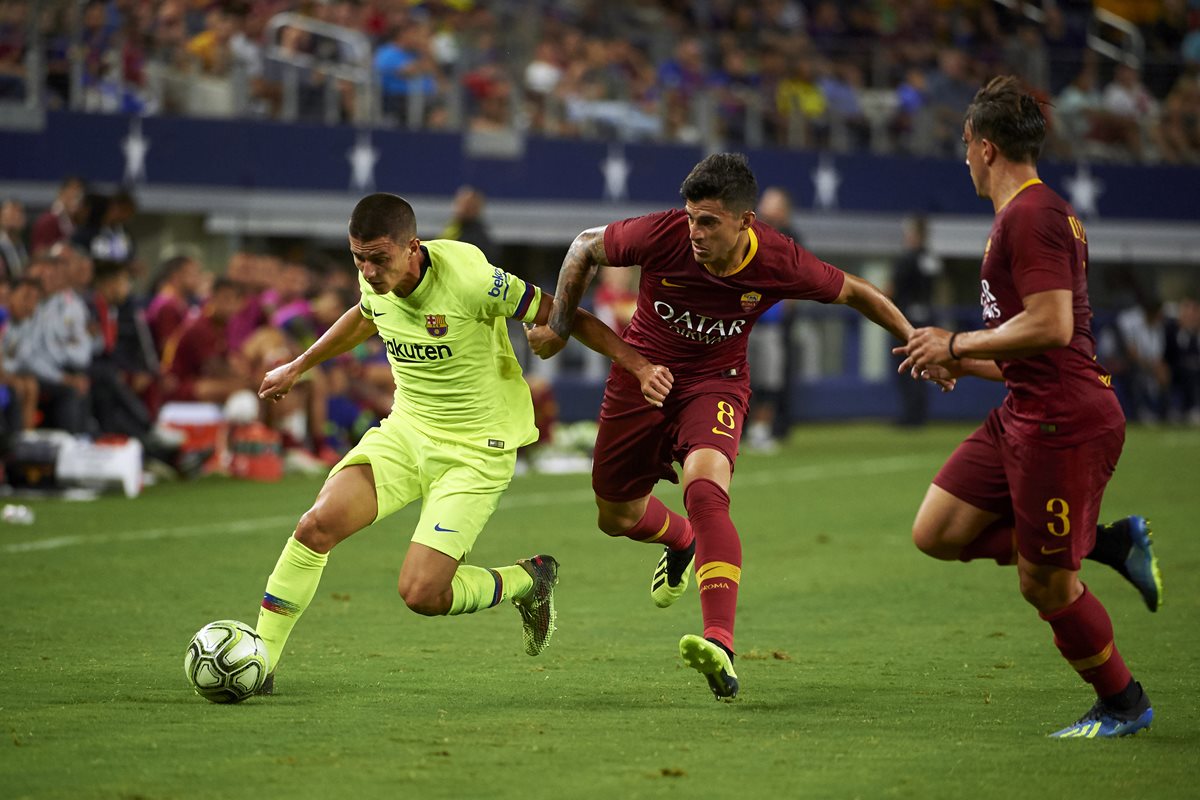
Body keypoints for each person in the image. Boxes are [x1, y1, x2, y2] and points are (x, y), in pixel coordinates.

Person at [527, 153, 921, 700]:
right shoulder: (661, 234)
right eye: (691, 217)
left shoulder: (779, 259)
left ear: (745, 222)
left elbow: (855, 290)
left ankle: (721, 643)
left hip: (716, 381)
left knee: (707, 492)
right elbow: (583, 247)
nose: (694, 231)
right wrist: (560, 326)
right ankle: (681, 540)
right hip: (640, 376)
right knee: (614, 515)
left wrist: (913, 336)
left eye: (708, 221)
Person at [251, 193, 671, 693]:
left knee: (422, 593)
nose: (367, 271)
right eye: (357, 257)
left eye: (378, 259)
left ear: (413, 247)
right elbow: (364, 315)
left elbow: (563, 314)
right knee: (316, 526)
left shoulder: (470, 278)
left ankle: (526, 580)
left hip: (477, 452)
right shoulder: (377, 282)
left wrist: (640, 366)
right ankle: (261, 662)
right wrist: (299, 366)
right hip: (406, 434)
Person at [894, 76, 1162, 739]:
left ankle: (1123, 703)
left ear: (986, 148)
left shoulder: (1032, 216)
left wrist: (955, 342)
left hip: (1062, 424)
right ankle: (1103, 541)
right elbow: (1034, 349)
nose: (963, 159)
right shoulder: (1025, 217)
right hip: (1026, 408)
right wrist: (958, 360)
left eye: (963, 146)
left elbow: (1051, 326)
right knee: (936, 531)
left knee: (1043, 582)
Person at [887, 214, 942, 427]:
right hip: (927, 318)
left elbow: (891, 290)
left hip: (907, 321)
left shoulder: (907, 258)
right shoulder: (931, 258)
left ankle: (910, 416)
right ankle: (920, 414)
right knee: (924, 366)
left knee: (907, 367)